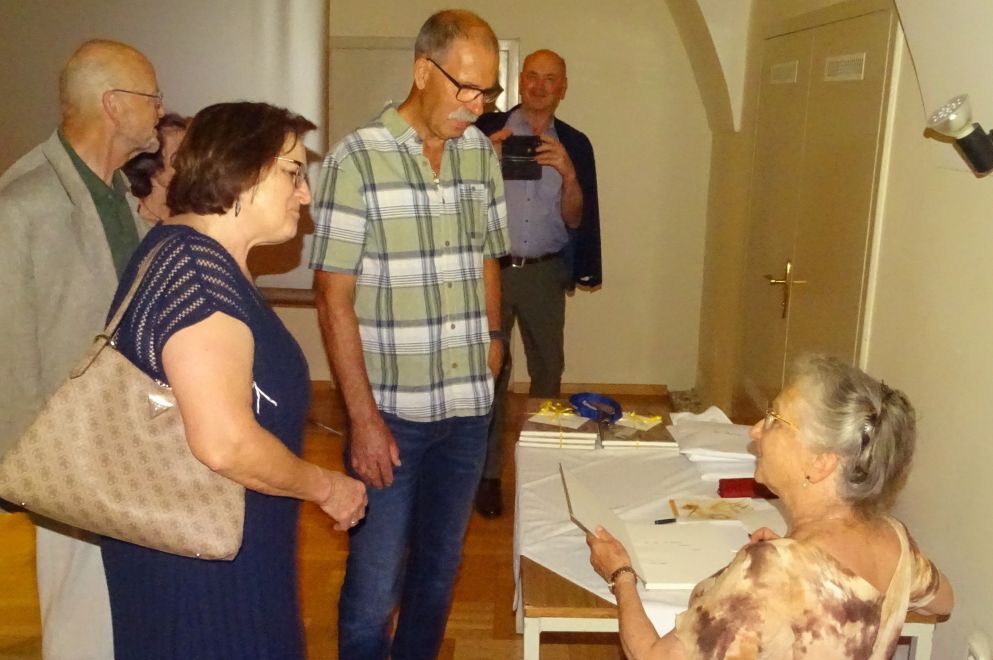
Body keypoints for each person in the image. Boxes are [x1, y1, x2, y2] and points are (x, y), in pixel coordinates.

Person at [100, 101, 368, 659]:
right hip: (201, 572)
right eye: (292, 173)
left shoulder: (187, 253)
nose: (305, 194)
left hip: (209, 545)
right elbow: (224, 443)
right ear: (241, 170)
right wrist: (327, 487)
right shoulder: (197, 276)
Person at [310, 9, 509, 658]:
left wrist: (493, 338)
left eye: (487, 92)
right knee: (374, 586)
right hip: (391, 417)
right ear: (423, 71)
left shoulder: (479, 155)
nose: (477, 107)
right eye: (467, 88)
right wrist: (362, 419)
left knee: (437, 572)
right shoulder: (356, 161)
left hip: (467, 412)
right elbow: (332, 299)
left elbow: (487, 254)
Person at [586, 354, 954, 659]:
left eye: (775, 420)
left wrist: (621, 575)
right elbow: (942, 602)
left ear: (821, 462)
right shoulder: (894, 538)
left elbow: (651, 656)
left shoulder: (769, 572)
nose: (755, 430)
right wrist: (799, 559)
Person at [0, 39, 164, 659]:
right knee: (81, 628)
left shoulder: (119, 197)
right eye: (151, 96)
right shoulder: (23, 206)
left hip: (133, 449)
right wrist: (22, 472)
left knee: (126, 617)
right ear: (114, 105)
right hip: (68, 460)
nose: (160, 108)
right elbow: (9, 354)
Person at [474, 49, 602, 517]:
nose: (540, 86)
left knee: (547, 372)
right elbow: (452, 197)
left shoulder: (575, 144)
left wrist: (568, 173)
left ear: (562, 88)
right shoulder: (484, 132)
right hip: (491, 270)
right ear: (520, 80)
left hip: (545, 272)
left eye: (551, 79)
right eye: (533, 76)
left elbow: (576, 218)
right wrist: (481, 162)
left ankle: (543, 471)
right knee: (490, 374)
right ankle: (488, 475)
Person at [122, 112, 189, 222]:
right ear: (150, 163)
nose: (191, 162)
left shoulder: (192, 215)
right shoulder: (130, 216)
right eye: (179, 155)